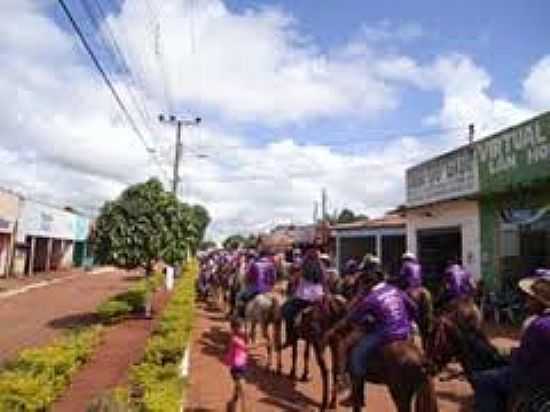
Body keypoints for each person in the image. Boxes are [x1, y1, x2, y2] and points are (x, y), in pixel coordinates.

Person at [325, 263, 417, 404]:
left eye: (362, 285)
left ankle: (355, 393)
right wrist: (407, 322)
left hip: (385, 334)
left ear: (366, 284)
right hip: (405, 333)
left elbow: (350, 319)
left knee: (356, 355)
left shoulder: (370, 299)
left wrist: (332, 330)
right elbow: (414, 307)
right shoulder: (394, 289)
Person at [472, 275, 550, 412]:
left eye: (531, 298)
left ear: (540, 301)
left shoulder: (538, 325)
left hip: (536, 379)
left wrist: (509, 354)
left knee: (483, 380)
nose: (526, 301)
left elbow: (522, 362)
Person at [281, 244, 326, 347]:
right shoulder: (321, 264)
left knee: (287, 309)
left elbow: (294, 276)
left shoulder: (304, 262)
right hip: (320, 295)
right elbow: (325, 280)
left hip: (305, 296)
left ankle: (290, 337)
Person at [236, 249, 277, 317]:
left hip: (255, 289)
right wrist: (270, 287)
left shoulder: (254, 264)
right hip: (268, 290)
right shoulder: (271, 265)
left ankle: (241, 316)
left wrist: (247, 283)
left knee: (239, 296)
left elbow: (248, 277)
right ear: (267, 256)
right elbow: (274, 279)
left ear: (259, 256)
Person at [225, 317, 248, 412]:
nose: (244, 329)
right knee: (243, 393)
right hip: (236, 369)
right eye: (242, 327)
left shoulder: (241, 338)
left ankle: (230, 405)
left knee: (237, 392)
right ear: (235, 329)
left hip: (242, 367)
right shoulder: (234, 339)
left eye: (244, 327)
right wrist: (263, 343)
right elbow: (247, 348)